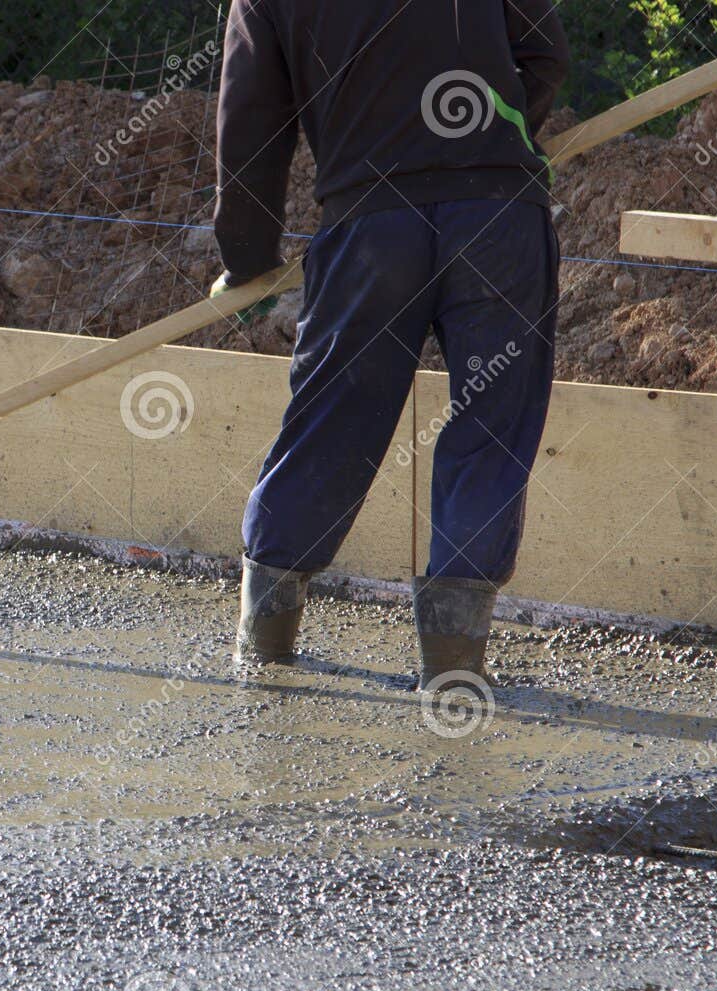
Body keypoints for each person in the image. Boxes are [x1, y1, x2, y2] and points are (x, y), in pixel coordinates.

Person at [210, 0, 568, 691]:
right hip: (497, 214)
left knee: (329, 424)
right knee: (490, 429)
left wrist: (247, 255)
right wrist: (493, 140)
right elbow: (545, 55)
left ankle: (266, 644)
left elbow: (249, 121)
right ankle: (454, 667)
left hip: (370, 225)